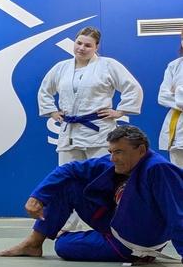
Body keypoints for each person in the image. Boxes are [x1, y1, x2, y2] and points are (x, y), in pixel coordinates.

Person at [0, 126, 183, 262]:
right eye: (111, 152)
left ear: (141, 150)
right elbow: (70, 168)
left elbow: (178, 215)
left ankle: (68, 236)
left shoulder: (159, 170)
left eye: (119, 152)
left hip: (133, 242)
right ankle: (33, 243)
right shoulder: (115, 163)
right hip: (118, 223)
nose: (113, 158)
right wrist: (38, 196)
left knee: (63, 246)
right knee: (69, 184)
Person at [38, 25, 142, 230]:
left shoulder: (108, 65)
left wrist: (120, 111)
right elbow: (44, 91)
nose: (82, 48)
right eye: (79, 43)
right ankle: (67, 226)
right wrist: (52, 111)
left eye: (88, 45)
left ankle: (99, 225)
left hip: (99, 129)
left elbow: (133, 88)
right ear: (74, 43)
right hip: (69, 131)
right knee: (66, 178)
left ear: (96, 47)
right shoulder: (61, 68)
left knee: (100, 179)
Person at [158, 30, 183, 167]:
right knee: (179, 175)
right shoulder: (174, 66)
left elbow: (170, 96)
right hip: (178, 128)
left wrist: (177, 91)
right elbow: (162, 97)